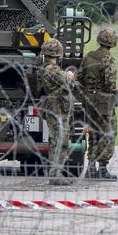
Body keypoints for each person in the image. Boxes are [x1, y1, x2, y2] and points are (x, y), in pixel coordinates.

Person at [78, 28, 118, 180]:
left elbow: (80, 76)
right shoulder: (108, 59)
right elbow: (110, 83)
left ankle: (91, 167)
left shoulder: (89, 56)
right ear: (113, 42)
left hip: (89, 99)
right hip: (104, 101)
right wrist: (115, 91)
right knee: (108, 133)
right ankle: (102, 168)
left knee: (94, 133)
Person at [39, 38, 75, 185]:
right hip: (57, 108)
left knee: (58, 139)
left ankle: (56, 173)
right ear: (57, 53)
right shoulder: (52, 69)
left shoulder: (47, 68)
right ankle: (56, 174)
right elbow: (66, 84)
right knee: (59, 140)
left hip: (56, 107)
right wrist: (70, 77)